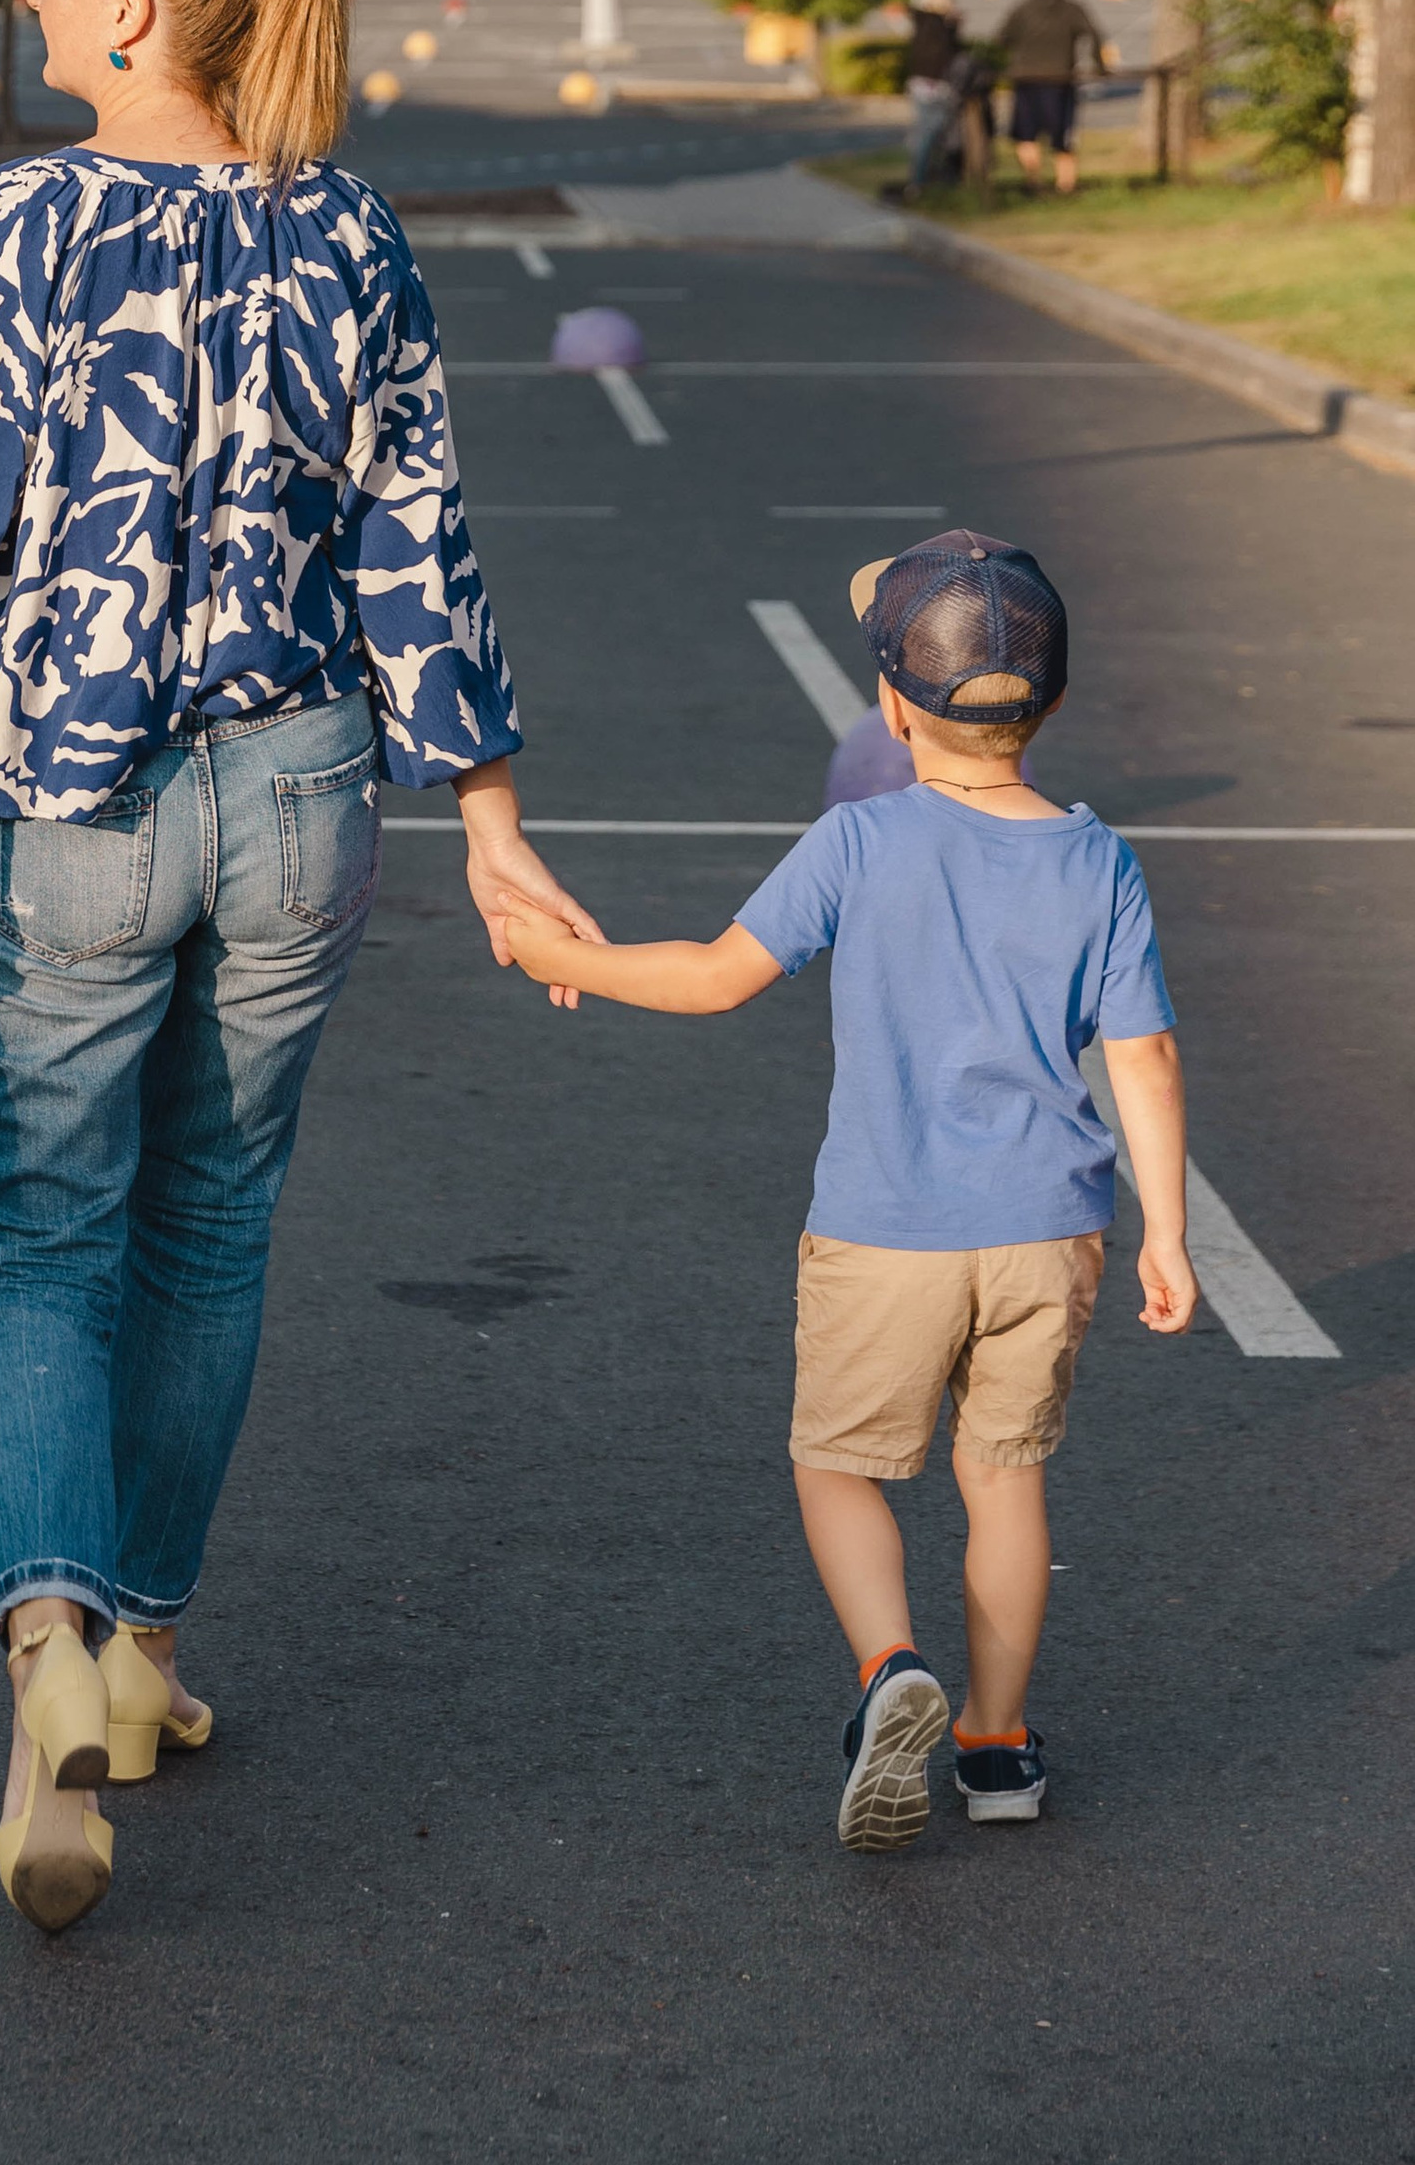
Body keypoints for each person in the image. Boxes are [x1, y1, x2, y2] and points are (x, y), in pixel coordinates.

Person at [0, 0, 591, 1934]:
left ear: (135, 12)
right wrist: (488, 822)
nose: (31, 5)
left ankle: (49, 1647)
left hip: (71, 799)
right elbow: (418, 547)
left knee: (42, 1234)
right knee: (210, 1226)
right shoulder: (353, 234)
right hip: (305, 793)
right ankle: (139, 1632)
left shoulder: (16, 226)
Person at [484, 528, 1195, 1850]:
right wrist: (1169, 1227)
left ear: (890, 700)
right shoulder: (1099, 859)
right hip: (1051, 1230)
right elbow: (1140, 1052)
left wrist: (545, 950)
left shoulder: (859, 840)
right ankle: (995, 1745)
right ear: (1052, 700)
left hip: (887, 1227)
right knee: (1006, 1475)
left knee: (836, 1464)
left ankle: (889, 1669)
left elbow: (711, 974)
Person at [1004, 0, 1105, 193]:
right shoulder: (1070, 9)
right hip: (1060, 80)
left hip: (1027, 79)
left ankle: (1033, 181)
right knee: (1063, 136)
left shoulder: (1023, 9)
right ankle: (1065, 185)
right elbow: (1094, 33)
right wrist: (1099, 65)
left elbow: (1002, 38)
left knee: (1026, 135)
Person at [887, 0, 965, 201]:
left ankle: (925, 180)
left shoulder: (925, 22)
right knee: (931, 134)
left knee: (928, 134)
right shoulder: (938, 24)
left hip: (925, 85)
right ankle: (922, 181)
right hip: (936, 87)